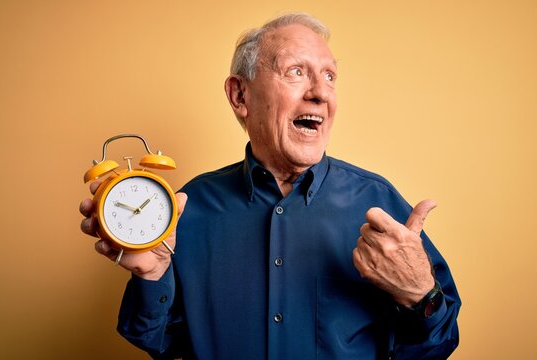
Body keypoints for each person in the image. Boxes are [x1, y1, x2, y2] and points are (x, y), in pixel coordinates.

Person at [80, 12, 460, 360]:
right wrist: (152, 276)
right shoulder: (186, 208)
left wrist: (419, 295)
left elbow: (437, 346)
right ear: (240, 95)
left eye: (329, 76)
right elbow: (159, 342)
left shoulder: (378, 202)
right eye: (296, 72)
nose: (321, 93)